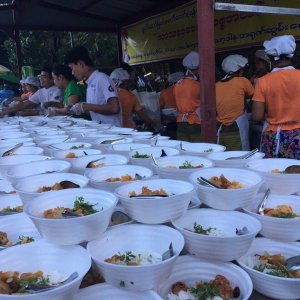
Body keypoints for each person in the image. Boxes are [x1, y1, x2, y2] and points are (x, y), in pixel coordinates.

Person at [252, 35, 300, 159]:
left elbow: (257, 116)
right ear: (291, 54)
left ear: (270, 58)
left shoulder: (262, 81)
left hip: (274, 137)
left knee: (273, 173)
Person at [65, 46, 122, 126]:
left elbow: (114, 108)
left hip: (114, 132)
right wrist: (78, 108)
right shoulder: (90, 83)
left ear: (81, 64)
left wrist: (87, 106)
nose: (72, 73)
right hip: (102, 131)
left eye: (72, 68)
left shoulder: (101, 78)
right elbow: (96, 110)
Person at [216, 54, 254, 151]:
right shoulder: (242, 81)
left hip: (221, 129)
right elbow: (254, 98)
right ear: (239, 70)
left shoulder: (216, 85)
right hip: (237, 128)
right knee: (240, 157)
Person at [173, 51, 201, 142]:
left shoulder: (177, 85)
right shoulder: (197, 85)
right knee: (197, 150)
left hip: (181, 122)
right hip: (195, 122)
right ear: (195, 69)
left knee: (184, 148)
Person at [159, 71, 184, 139]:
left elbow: (161, 109)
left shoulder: (164, 92)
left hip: (170, 121)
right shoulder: (185, 90)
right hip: (184, 120)